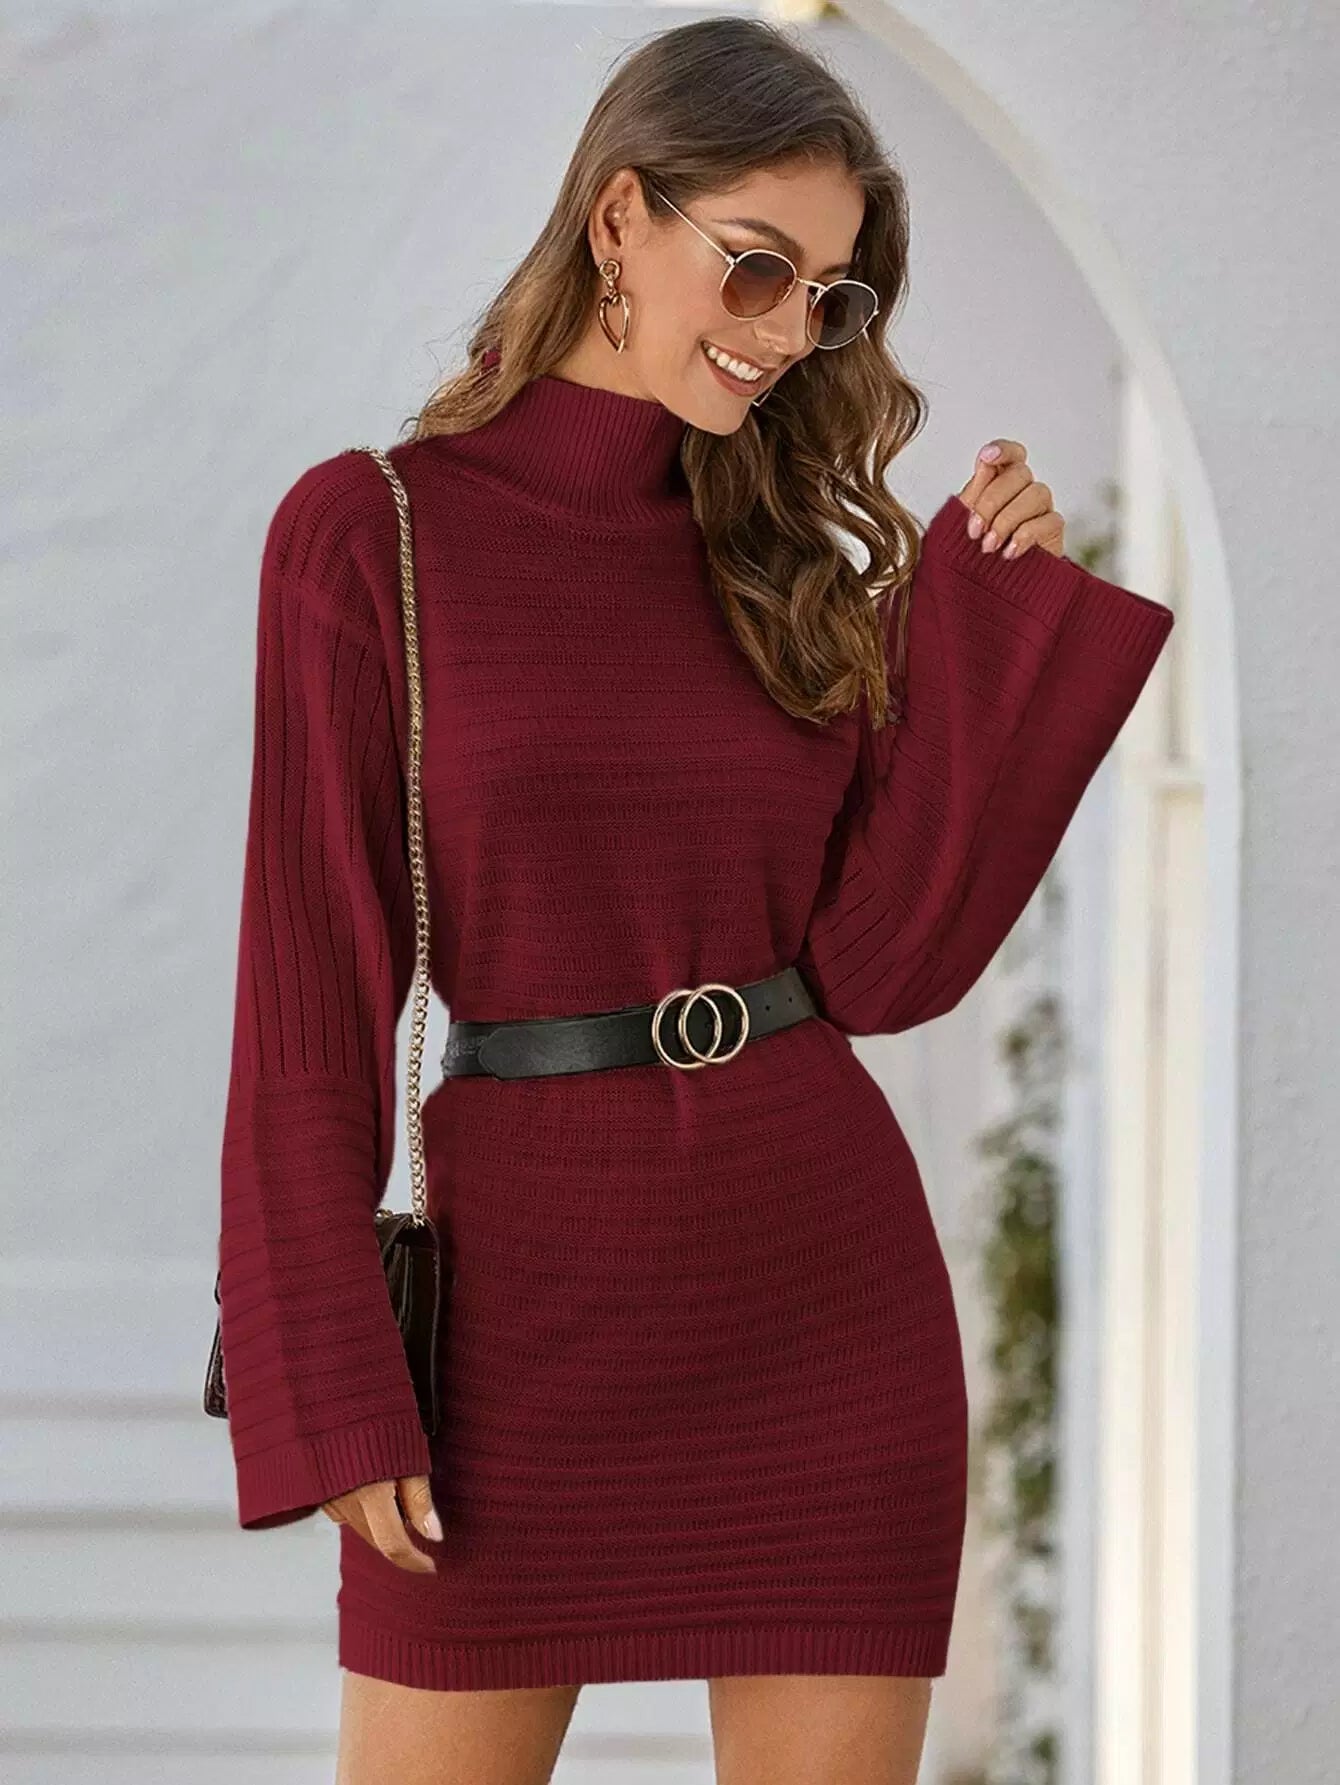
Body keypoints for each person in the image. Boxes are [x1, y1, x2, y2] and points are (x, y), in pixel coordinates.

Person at [213, 16, 1175, 1784]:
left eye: (827, 296)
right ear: (618, 220)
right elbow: (308, 1008)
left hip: (822, 1308)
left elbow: (880, 965)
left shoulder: (786, 566)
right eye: (756, 267)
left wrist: (983, 630)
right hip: (514, 1332)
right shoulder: (372, 536)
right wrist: (331, 1374)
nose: (788, 332)